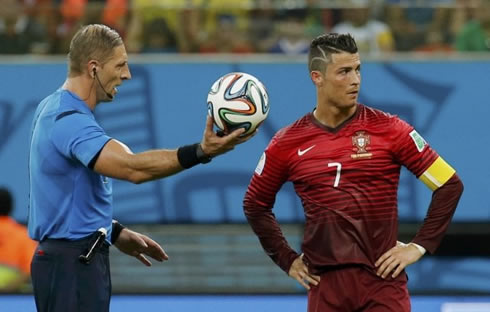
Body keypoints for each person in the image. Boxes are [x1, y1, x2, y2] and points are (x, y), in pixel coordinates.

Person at [28, 24, 252, 312]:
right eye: (120, 65)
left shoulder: (55, 107)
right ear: (94, 68)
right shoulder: (69, 119)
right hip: (71, 263)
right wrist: (201, 151)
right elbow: (133, 169)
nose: (127, 74)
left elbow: (63, 196)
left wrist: (113, 232)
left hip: (75, 257)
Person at [243, 33, 463, 312]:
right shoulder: (287, 143)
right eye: (344, 72)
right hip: (325, 286)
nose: (355, 80)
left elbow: (449, 185)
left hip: (383, 283)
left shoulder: (390, 130)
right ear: (317, 77)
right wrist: (286, 259)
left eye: (358, 69)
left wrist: (418, 246)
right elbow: (255, 204)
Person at [0, 187, 37, 292]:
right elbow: (30, 270)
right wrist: (7, 291)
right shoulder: (24, 235)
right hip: (14, 298)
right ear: (11, 207)